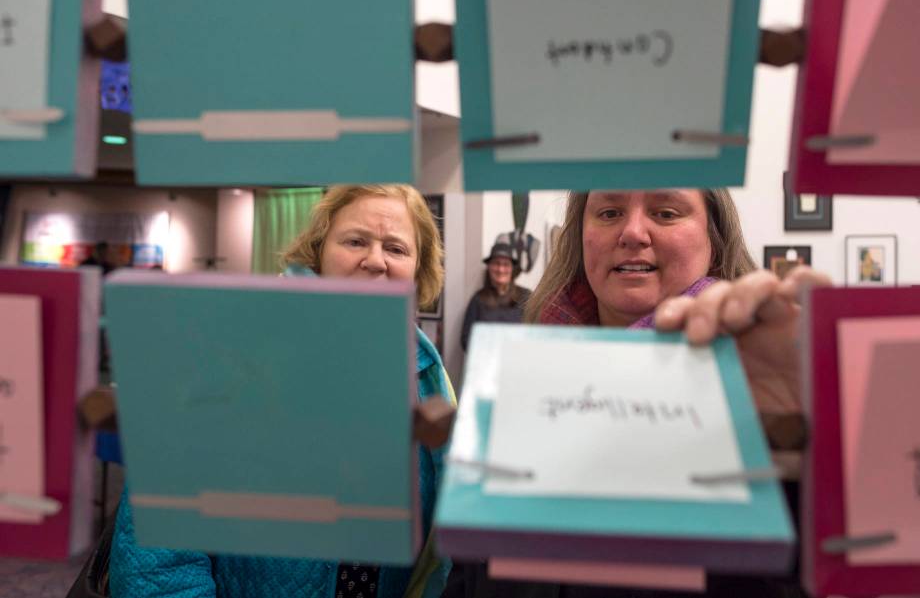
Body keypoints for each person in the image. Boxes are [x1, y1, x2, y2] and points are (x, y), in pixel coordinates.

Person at [443, 189, 829, 598]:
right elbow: (469, 577)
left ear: (714, 240)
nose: (632, 232)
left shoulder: (757, 385)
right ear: (579, 238)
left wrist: (809, 453)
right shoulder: (521, 381)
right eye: (609, 212)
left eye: (665, 212)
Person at [110, 184, 456, 598]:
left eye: (397, 248)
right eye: (356, 241)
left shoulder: (427, 380)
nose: (376, 261)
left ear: (418, 270)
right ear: (319, 252)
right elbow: (160, 556)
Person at [460, 242, 532, 351]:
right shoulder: (478, 299)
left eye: (506, 264)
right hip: (487, 364)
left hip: (518, 362)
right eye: (496, 263)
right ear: (489, 267)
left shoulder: (525, 296)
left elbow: (534, 333)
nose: (501, 269)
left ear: (512, 268)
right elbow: (466, 339)